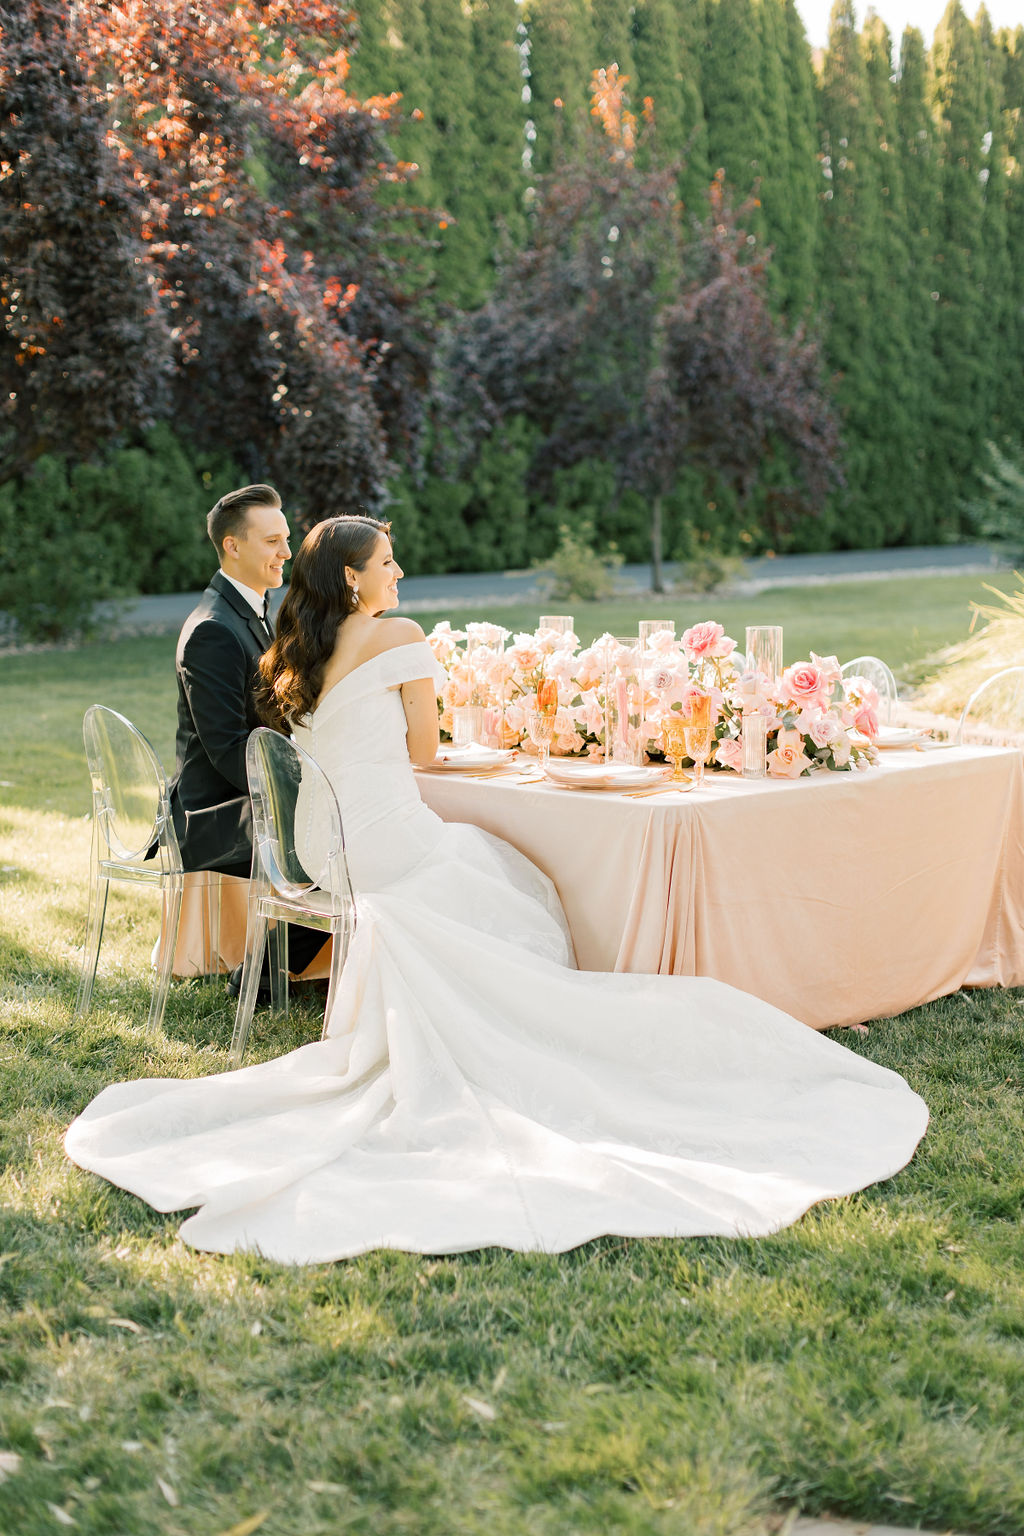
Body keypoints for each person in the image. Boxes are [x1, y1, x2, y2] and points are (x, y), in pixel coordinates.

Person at [65, 517, 929, 1263]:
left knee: (479, 856)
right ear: (356, 578)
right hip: (387, 845)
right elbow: (428, 755)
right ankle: (551, 1012)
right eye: (389, 563)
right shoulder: (398, 637)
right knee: (506, 872)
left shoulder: (301, 650)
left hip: (328, 850)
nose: (400, 574)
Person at [167, 483, 324, 984]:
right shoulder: (213, 629)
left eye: (286, 538)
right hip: (215, 814)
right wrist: (304, 795)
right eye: (272, 541)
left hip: (245, 794)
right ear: (232, 546)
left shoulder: (252, 611)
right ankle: (265, 969)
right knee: (340, 837)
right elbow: (227, 751)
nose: (287, 551)